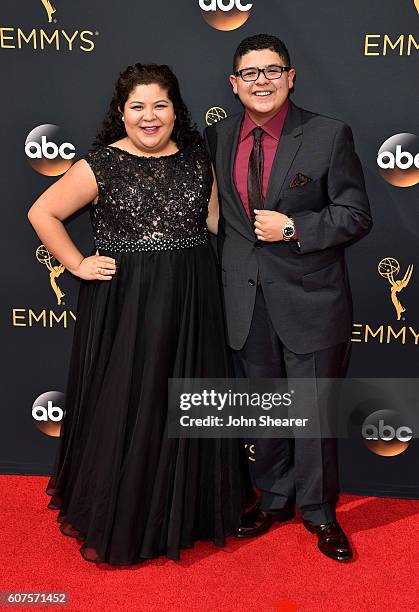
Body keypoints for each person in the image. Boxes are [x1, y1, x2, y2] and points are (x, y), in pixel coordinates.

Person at [28, 63, 251, 565]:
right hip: (127, 301)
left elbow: (216, 221)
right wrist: (78, 263)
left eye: (160, 105)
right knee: (132, 401)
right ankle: (127, 513)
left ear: (176, 110)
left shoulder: (199, 160)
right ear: (121, 113)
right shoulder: (99, 164)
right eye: (138, 107)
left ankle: (188, 511)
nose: (149, 117)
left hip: (193, 297)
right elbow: (43, 212)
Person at [204, 34, 372, 562]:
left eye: (272, 70)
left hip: (311, 299)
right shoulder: (217, 136)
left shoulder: (327, 134)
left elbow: (356, 214)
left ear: (291, 76)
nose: (261, 81)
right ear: (234, 84)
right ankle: (273, 498)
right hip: (245, 300)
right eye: (249, 73)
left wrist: (294, 227)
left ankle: (320, 512)